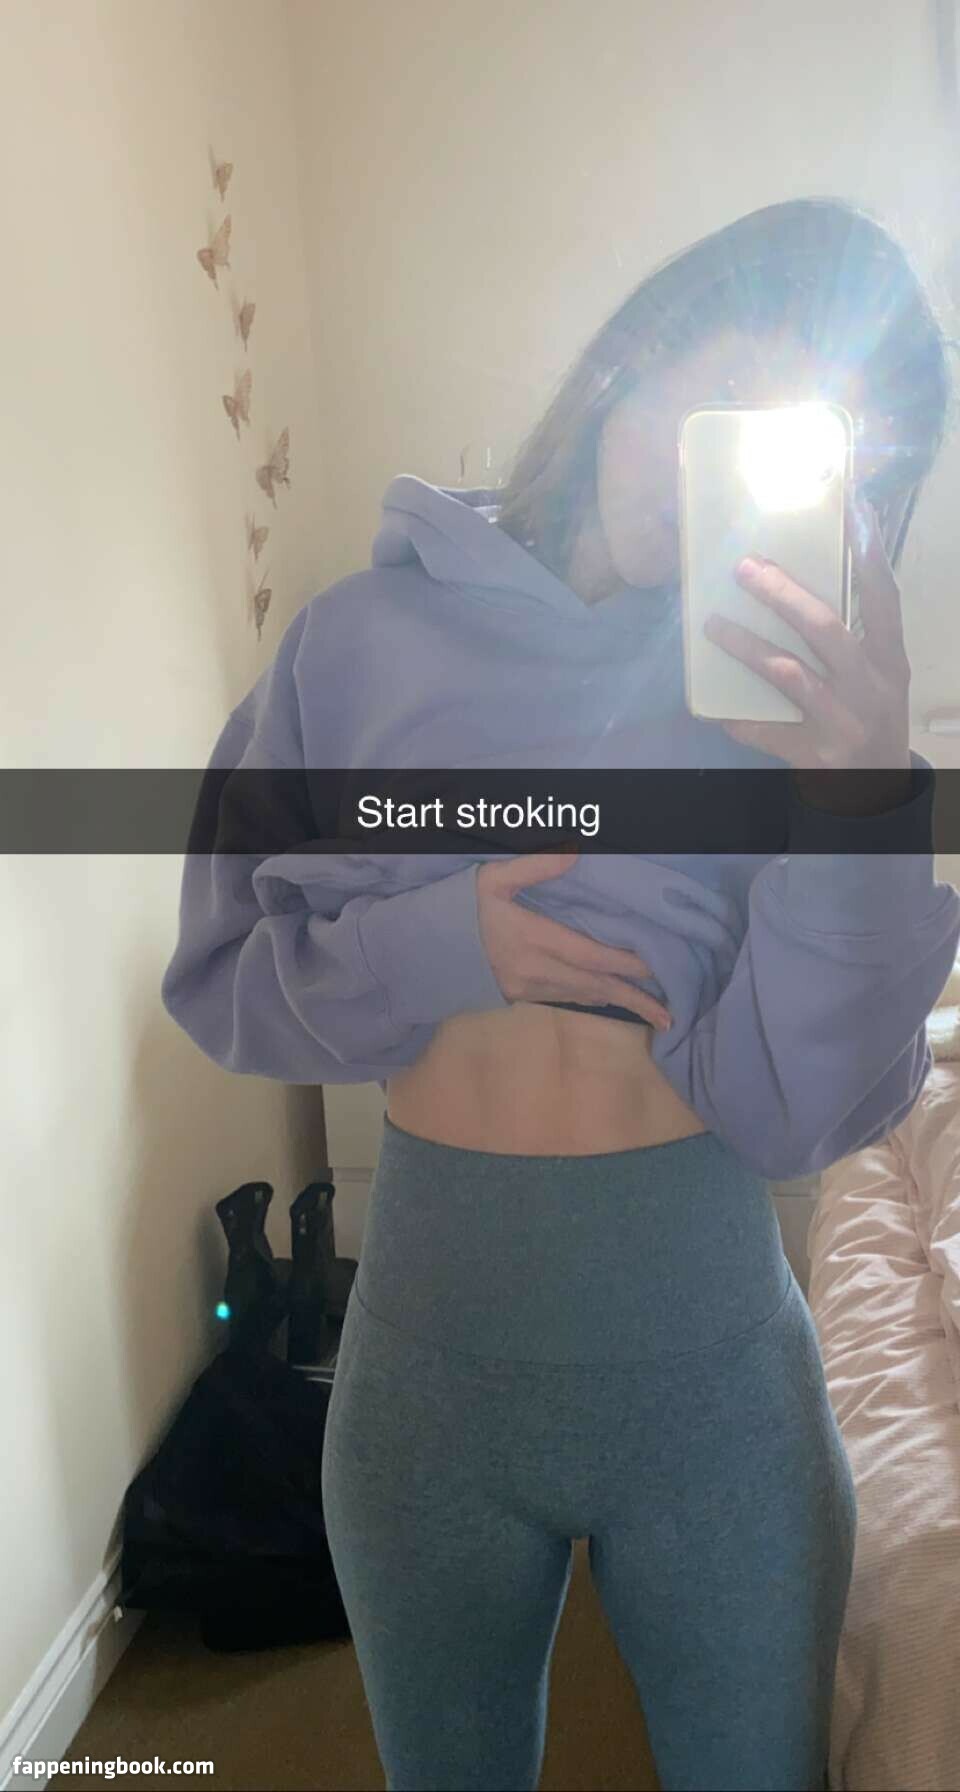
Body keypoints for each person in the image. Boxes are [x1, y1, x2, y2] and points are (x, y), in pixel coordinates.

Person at [161, 197, 960, 1792]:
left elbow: (797, 1108)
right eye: (713, 398)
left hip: (715, 1383)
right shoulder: (357, 641)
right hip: (429, 1385)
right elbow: (220, 975)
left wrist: (865, 803)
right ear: (629, 362)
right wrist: (441, 942)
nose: (707, 474)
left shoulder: (782, 711)